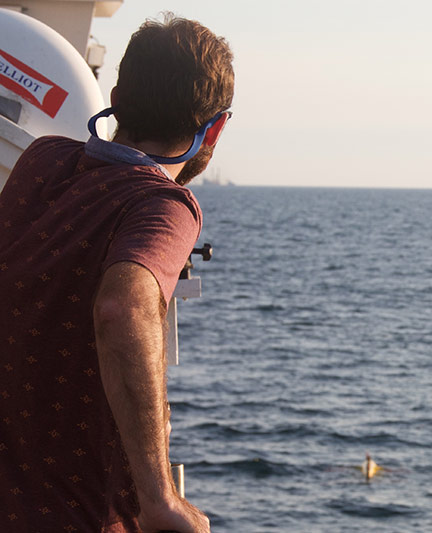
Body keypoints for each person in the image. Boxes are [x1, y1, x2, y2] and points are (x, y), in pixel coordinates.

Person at [0, 14, 234, 533]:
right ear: (215, 126)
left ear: (117, 93)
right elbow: (121, 308)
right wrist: (160, 501)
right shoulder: (165, 204)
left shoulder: (40, 159)